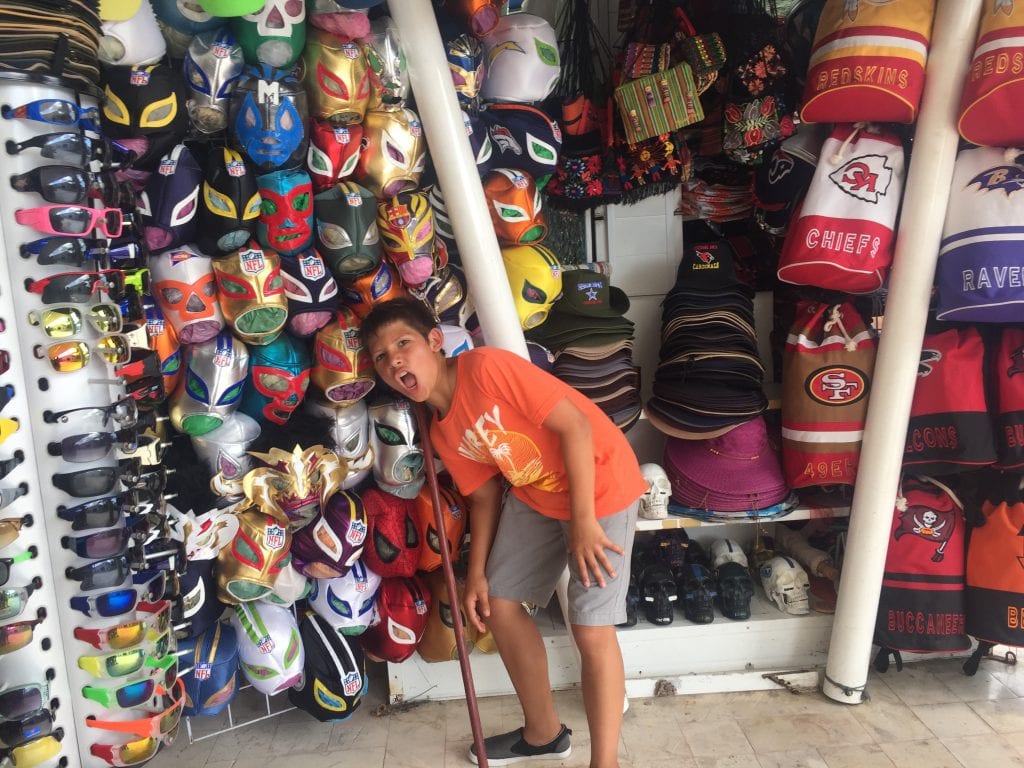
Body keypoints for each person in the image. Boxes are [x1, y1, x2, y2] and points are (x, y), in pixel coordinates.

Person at [361, 298, 645, 768]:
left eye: (403, 343)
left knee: (591, 628)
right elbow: (485, 496)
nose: (394, 359)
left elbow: (575, 426)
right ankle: (543, 734)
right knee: (500, 605)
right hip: (535, 492)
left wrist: (581, 521)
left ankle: (605, 763)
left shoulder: (487, 369)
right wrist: (476, 577)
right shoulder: (440, 432)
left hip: (599, 485)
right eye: (381, 355)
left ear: (435, 341)